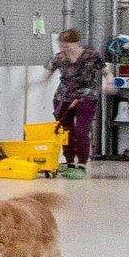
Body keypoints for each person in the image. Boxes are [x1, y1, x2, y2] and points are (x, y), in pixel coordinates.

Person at [50, 28, 106, 179]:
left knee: (81, 131)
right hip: (63, 97)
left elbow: (105, 71)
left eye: (67, 46)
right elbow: (48, 73)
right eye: (61, 46)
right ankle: (69, 162)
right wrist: (35, 84)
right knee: (65, 131)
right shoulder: (59, 58)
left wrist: (109, 82)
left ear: (76, 43)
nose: (64, 49)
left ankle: (82, 163)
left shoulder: (91, 55)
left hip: (86, 96)